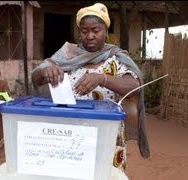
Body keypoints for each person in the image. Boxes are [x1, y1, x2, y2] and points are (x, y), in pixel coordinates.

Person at [31, 3, 150, 178]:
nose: (90, 36)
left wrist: (103, 78)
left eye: (96, 30)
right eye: (85, 31)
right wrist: (44, 71)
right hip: (70, 134)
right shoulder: (67, 54)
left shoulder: (116, 57)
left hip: (107, 136)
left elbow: (134, 86)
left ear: (106, 31)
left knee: (106, 175)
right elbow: (36, 78)